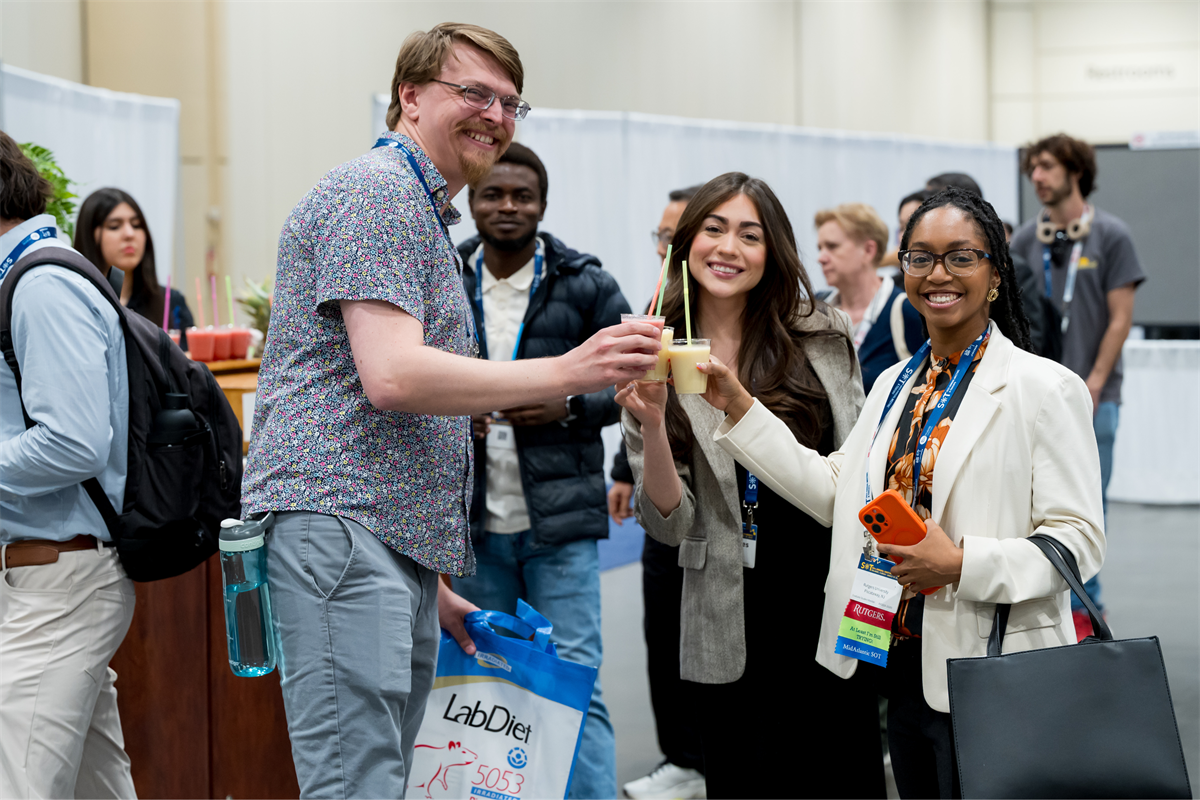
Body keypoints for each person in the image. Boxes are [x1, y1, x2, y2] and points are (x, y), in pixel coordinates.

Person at [239, 24, 660, 797]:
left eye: (509, 103)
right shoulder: (375, 194)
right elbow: (392, 378)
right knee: (356, 778)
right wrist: (566, 370)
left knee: (387, 773)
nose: (495, 116)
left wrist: (428, 586)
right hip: (344, 528)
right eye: (473, 93)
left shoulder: (419, 208)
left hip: (381, 538)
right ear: (410, 97)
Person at [698, 187, 1105, 798]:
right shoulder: (895, 381)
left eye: (960, 257)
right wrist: (739, 407)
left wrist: (962, 564)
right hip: (897, 661)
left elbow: (1078, 542)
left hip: (990, 667)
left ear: (995, 274)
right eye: (920, 257)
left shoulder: (1044, 389)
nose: (937, 274)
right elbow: (839, 492)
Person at [618, 172, 881, 799]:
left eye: (749, 234)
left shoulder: (820, 333)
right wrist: (653, 426)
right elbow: (669, 525)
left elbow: (859, 466)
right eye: (713, 229)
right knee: (745, 775)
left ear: (774, 251)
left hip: (828, 585)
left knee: (845, 772)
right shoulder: (654, 350)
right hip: (728, 602)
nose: (728, 248)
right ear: (684, 244)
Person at [452, 141, 622, 799]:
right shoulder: (443, 274)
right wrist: (446, 415)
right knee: (488, 681)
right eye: (492, 193)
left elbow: (633, 381)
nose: (506, 206)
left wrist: (571, 403)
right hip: (469, 524)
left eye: (521, 195)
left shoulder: (586, 283)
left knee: (571, 680)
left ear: (543, 204)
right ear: (471, 201)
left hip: (561, 526)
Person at [0, 132, 136, 797]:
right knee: (95, 786)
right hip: (52, 577)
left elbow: (74, 441)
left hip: (62, 580)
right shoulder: (28, 276)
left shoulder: (41, 284)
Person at [1010, 133, 1144, 626]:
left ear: (1076, 170)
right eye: (1032, 170)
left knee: (1087, 504)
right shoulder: (1025, 240)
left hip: (1094, 396)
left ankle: (1088, 610)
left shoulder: (1112, 235)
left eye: (1046, 167)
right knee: (1035, 503)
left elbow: (1119, 318)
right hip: (1037, 398)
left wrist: (1093, 382)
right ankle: (1047, 611)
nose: (1037, 178)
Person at [612, 184, 709, 800]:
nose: (668, 248)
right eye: (663, 237)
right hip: (664, 494)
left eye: (679, 238)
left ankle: (709, 755)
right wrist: (626, 472)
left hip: (732, 521)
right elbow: (632, 402)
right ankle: (682, 757)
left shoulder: (737, 316)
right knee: (663, 634)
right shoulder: (655, 307)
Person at [815, 202, 923, 392]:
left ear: (869, 250)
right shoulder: (815, 309)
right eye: (820, 248)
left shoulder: (906, 311)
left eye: (832, 247)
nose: (821, 258)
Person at [75, 187, 195, 349]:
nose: (129, 234)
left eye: (137, 225)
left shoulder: (171, 301)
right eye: (114, 226)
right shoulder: (76, 303)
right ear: (90, 235)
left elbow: (190, 367)